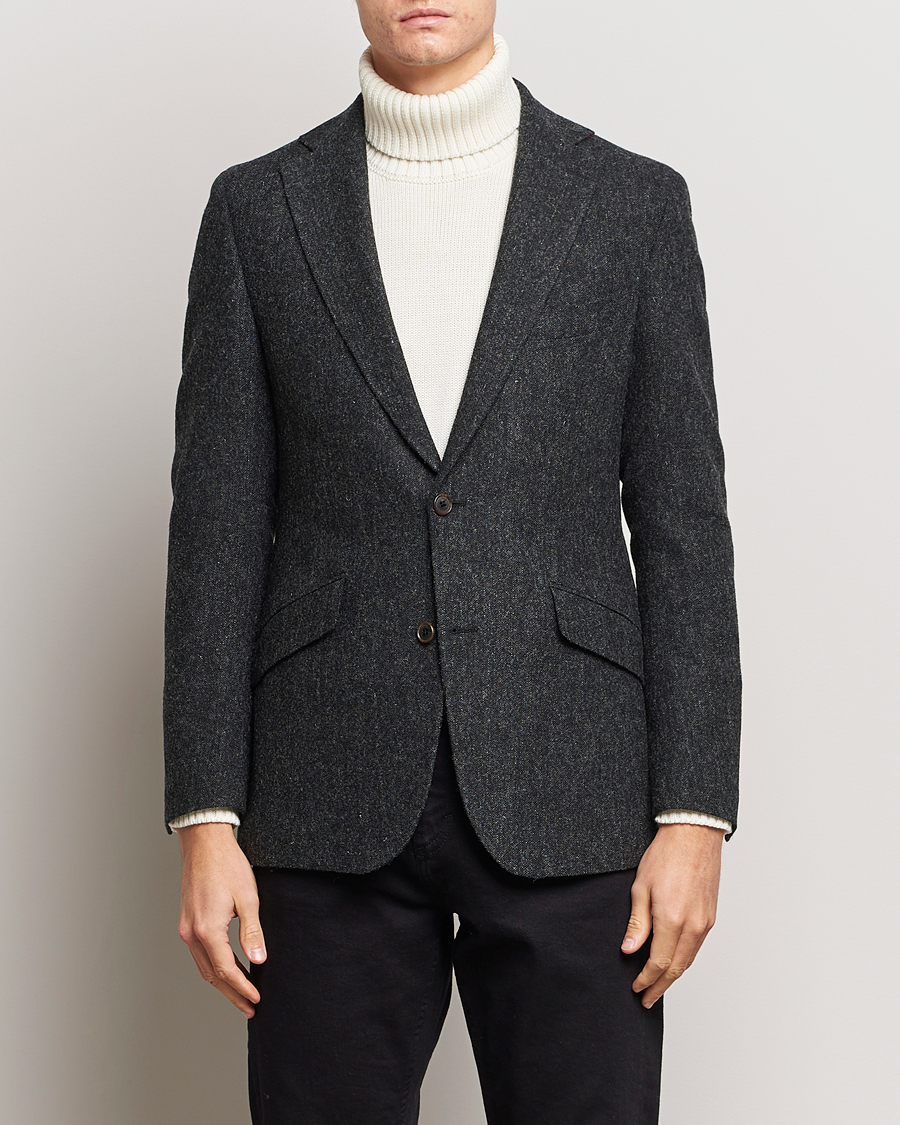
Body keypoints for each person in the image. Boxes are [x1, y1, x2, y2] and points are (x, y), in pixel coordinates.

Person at [163, 2, 741, 1121]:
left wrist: (695, 813)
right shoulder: (258, 210)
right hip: (324, 790)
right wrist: (204, 816)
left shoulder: (631, 204)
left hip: (575, 784)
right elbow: (216, 534)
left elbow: (684, 528)